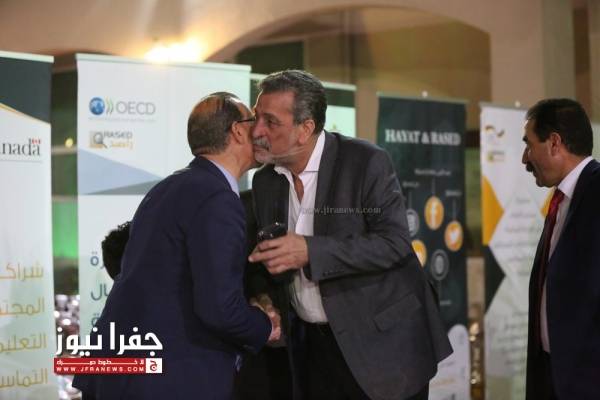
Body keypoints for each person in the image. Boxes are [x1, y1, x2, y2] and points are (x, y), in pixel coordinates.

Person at [247, 70, 452, 400]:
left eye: (270, 122)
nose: (256, 131)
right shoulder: (265, 181)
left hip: (382, 348)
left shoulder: (366, 162)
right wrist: (264, 298)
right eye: (256, 117)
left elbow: (394, 243)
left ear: (305, 129)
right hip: (313, 352)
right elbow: (268, 256)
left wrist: (310, 251)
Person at [73, 92, 280, 400]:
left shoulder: (170, 186)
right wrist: (266, 325)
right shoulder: (217, 197)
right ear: (238, 131)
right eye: (255, 120)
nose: (262, 130)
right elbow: (219, 308)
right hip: (166, 378)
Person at [522, 98, 600, 399]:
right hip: (552, 375)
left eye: (529, 145)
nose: (525, 159)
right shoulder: (562, 200)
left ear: (554, 143)